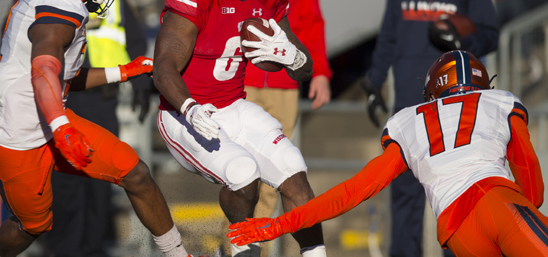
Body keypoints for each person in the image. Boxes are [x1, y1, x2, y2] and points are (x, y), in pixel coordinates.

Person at [0, 0, 191, 257]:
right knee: (33, 226)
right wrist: (61, 129)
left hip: (50, 125)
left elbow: (62, 79)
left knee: (136, 173)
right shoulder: (61, 6)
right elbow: (44, 71)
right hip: (17, 145)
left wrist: (123, 71)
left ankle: (179, 254)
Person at [228, 50, 548, 257]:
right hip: (499, 203)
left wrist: (278, 224)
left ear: (432, 92)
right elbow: (531, 181)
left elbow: (351, 192)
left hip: (458, 230)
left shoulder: (408, 123)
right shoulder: (500, 102)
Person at [153, 0, 327, 257]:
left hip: (233, 104)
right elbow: (163, 67)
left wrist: (293, 57)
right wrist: (189, 107)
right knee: (243, 172)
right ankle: (241, 247)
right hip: (183, 112)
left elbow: (303, 69)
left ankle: (316, 254)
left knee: (294, 172)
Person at [360, 0, 499, 257]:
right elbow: (387, 38)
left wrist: (462, 42)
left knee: (456, 188)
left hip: (455, 102)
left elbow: (491, 34)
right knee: (404, 187)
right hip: (409, 101)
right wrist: (375, 84)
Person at [234, 0, 332, 253]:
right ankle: (243, 245)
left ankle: (260, 244)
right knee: (241, 171)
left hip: (282, 82)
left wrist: (319, 70)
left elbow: (310, 20)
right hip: (240, 79)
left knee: (280, 172)